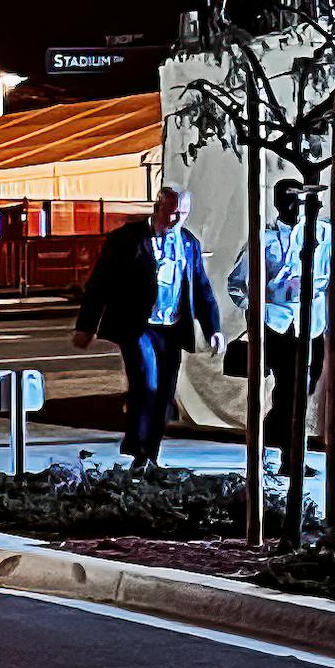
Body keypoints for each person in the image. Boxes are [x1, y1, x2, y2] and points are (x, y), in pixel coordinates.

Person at [76, 184, 220, 465]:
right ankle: (138, 447)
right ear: (159, 207)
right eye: (172, 212)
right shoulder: (128, 239)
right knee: (147, 383)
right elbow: (100, 283)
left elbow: (201, 288)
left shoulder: (189, 243)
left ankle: (149, 454)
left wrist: (213, 328)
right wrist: (87, 326)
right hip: (138, 326)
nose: (177, 220)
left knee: (165, 393)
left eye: (183, 214)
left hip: (172, 327)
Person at [227, 176, 332, 466]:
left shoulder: (323, 234)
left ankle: (265, 436)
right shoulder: (263, 238)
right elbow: (237, 283)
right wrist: (255, 311)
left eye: (297, 199)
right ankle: (290, 457)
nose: (294, 206)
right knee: (288, 389)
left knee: (305, 389)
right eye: (287, 200)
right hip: (277, 323)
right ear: (276, 204)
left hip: (312, 323)